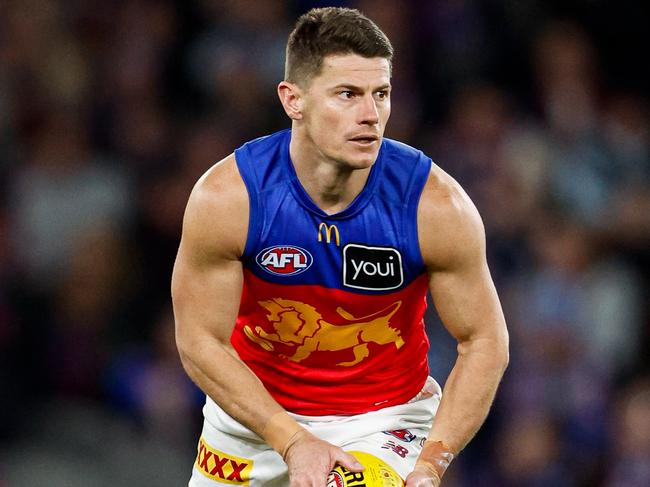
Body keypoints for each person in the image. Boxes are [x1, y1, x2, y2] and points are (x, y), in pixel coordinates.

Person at [172, 7, 509, 487]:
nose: (370, 115)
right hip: (253, 424)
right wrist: (290, 439)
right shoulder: (230, 199)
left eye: (381, 94)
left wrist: (433, 461)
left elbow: (484, 340)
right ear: (294, 100)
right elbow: (199, 340)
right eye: (348, 94)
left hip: (382, 421)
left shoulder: (435, 206)